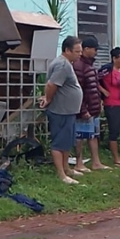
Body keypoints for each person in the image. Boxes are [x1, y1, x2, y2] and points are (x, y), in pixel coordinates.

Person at [38, 36, 84, 184]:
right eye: (77, 51)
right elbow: (51, 85)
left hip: (67, 110)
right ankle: (61, 174)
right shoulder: (62, 65)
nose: (80, 54)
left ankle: (66, 169)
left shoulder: (66, 63)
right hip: (61, 110)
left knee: (66, 142)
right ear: (67, 50)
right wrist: (49, 99)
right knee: (59, 143)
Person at [72, 36, 109, 173]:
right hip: (84, 108)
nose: (96, 52)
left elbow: (94, 87)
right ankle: (79, 162)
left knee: (93, 135)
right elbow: (78, 90)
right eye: (94, 49)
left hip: (93, 108)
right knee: (80, 136)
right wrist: (82, 109)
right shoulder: (78, 65)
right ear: (86, 49)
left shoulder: (90, 65)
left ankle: (96, 162)